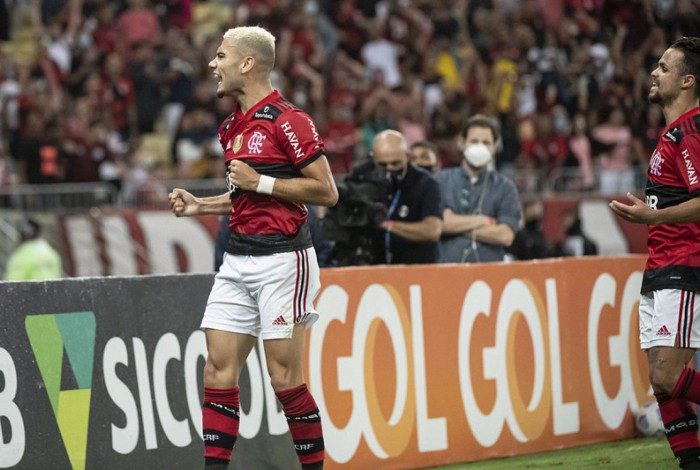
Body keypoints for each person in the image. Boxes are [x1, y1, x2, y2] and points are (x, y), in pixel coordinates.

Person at [168, 26, 338, 470]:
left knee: (283, 378)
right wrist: (200, 205)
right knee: (216, 370)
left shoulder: (290, 120)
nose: (213, 65)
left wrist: (260, 180)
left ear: (247, 63)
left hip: (284, 260)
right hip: (236, 260)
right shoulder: (230, 127)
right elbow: (243, 195)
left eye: (221, 56)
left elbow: (326, 191)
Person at [609, 36, 700, 469]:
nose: (653, 72)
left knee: (667, 374)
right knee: (661, 383)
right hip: (661, 265)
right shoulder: (670, 133)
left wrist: (652, 217)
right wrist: (652, 216)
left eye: (664, 67)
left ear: (687, 80)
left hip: (684, 263)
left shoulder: (691, 131)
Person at [337, 130, 442, 265]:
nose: (389, 169)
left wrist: (386, 224)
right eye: (382, 165)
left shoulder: (425, 183)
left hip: (414, 268)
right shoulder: (362, 175)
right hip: (372, 266)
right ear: (373, 157)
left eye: (395, 163)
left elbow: (432, 231)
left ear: (407, 156)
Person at [435, 114, 523, 263]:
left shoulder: (505, 187)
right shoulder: (440, 181)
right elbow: (436, 226)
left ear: (495, 147)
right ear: (462, 143)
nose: (480, 147)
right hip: (446, 270)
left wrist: (455, 225)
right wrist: (483, 220)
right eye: (474, 141)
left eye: (486, 142)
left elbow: (505, 236)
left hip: (489, 272)